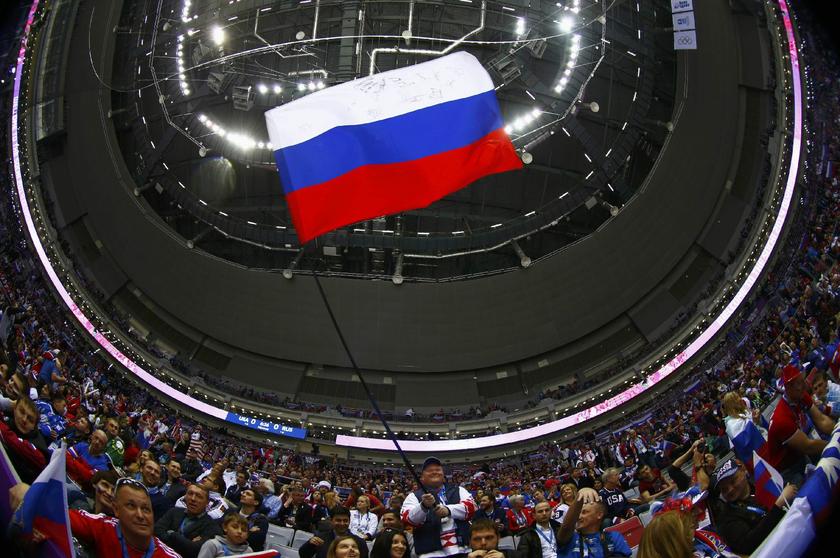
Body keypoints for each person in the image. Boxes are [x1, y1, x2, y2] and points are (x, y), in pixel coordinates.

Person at [8, 477, 182, 557]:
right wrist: (29, 493)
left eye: (146, 509)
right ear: (116, 510)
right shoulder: (104, 525)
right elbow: (57, 514)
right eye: (131, 506)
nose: (140, 515)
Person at [707, 458, 796, 555]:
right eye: (724, 489)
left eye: (733, 481)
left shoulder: (762, 482)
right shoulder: (727, 518)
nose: (730, 490)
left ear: (743, 471)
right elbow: (749, 544)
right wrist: (778, 506)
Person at [765, 365, 836, 484]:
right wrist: (834, 445)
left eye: (802, 380)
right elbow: (808, 446)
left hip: (800, 453)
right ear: (788, 388)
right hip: (787, 469)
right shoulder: (781, 419)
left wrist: (837, 432)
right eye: (799, 383)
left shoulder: (801, 395)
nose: (804, 385)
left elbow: (821, 419)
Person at [401, 457, 476, 558]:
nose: (434, 472)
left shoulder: (458, 490)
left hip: (463, 551)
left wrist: (448, 510)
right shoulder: (413, 496)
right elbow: (407, 519)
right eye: (429, 470)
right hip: (430, 554)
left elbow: (472, 507)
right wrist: (423, 506)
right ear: (422, 477)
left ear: (443, 474)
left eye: (438, 470)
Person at [556, 487, 631, 558]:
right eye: (578, 513)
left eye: (584, 512)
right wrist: (579, 497)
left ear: (599, 515)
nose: (578, 517)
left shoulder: (613, 537)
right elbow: (566, 527)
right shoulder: (569, 539)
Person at [155, 483, 223, 558]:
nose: (193, 499)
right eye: (190, 494)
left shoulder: (212, 527)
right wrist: (186, 542)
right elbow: (157, 530)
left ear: (207, 503)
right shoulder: (174, 512)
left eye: (199, 496)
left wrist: (172, 533)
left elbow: (194, 550)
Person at [300, 507, 370, 558]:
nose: (342, 523)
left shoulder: (359, 542)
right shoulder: (320, 538)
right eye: (338, 520)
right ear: (331, 520)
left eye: (345, 520)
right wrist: (309, 544)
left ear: (349, 521)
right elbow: (303, 555)